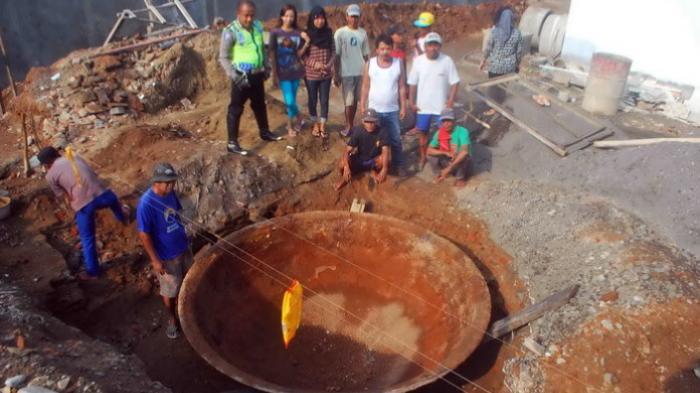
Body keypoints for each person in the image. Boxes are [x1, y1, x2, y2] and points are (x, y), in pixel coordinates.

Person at [38, 146, 129, 280]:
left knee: (87, 239)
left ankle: (93, 272)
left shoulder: (50, 176)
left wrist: (74, 205)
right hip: (103, 196)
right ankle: (122, 217)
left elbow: (65, 196)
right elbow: (92, 174)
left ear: (46, 164)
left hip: (84, 206)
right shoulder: (74, 157)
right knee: (113, 199)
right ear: (58, 154)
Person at [219, 0, 282, 156]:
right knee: (235, 109)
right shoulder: (230, 31)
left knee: (260, 104)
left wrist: (266, 66)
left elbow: (262, 49)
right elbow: (224, 57)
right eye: (246, 16)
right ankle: (232, 143)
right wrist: (234, 76)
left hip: (256, 74)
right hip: (240, 76)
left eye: (252, 16)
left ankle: (265, 131)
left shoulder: (258, 27)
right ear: (238, 14)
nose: (249, 19)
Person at [137, 163, 191, 339]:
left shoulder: (170, 194)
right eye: (167, 183)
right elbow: (144, 234)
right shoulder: (146, 204)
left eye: (172, 182)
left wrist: (185, 232)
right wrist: (155, 259)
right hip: (167, 257)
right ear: (156, 182)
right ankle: (172, 319)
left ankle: (190, 310)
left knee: (190, 280)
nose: (171, 186)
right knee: (170, 290)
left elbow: (176, 214)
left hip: (183, 247)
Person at [407, 32, 460, 169]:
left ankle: (443, 159)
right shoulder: (418, 61)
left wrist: (450, 101)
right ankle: (423, 157)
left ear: (440, 46)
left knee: (444, 135)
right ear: (425, 46)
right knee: (422, 135)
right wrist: (411, 102)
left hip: (441, 109)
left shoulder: (447, 61)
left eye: (435, 45)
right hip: (422, 107)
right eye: (430, 45)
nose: (432, 48)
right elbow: (412, 83)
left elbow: (455, 82)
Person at [359, 33, 406, 173]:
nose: (385, 51)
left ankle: (398, 164)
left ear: (392, 48)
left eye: (388, 48)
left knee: (396, 139)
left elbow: (402, 86)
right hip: (374, 111)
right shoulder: (370, 64)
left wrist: (403, 106)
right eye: (382, 49)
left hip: (392, 110)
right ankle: (375, 165)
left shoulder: (398, 63)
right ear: (377, 50)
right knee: (374, 140)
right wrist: (362, 104)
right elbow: (365, 86)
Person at [269, 4, 306, 139]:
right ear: (282, 16)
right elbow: (272, 54)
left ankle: (299, 119)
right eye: (286, 16)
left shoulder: (297, 34)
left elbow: (299, 54)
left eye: (292, 16)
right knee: (289, 102)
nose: (289, 19)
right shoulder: (275, 33)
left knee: (292, 101)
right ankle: (291, 126)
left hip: (296, 72)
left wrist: (306, 41)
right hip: (283, 74)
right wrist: (274, 75)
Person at [334, 4, 370, 137]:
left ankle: (354, 124)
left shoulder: (363, 33)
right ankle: (349, 126)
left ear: (359, 17)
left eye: (356, 16)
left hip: (361, 72)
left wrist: (369, 72)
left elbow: (366, 55)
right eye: (351, 16)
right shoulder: (340, 33)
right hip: (346, 73)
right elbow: (336, 55)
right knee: (348, 101)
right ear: (347, 17)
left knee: (358, 100)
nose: (354, 19)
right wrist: (336, 74)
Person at [300, 6, 335, 138]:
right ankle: (315, 124)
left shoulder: (329, 32)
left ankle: (323, 125)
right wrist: (315, 64)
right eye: (317, 18)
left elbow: (333, 51)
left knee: (324, 100)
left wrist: (328, 65)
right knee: (312, 100)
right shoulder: (306, 34)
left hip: (326, 74)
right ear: (312, 19)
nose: (320, 21)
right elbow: (302, 55)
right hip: (311, 75)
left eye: (322, 18)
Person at [335, 109, 390, 190]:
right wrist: (346, 167)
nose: (370, 124)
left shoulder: (382, 131)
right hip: (360, 159)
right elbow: (347, 151)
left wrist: (385, 169)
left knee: (384, 158)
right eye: (367, 121)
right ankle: (346, 177)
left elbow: (386, 150)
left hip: (374, 160)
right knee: (342, 163)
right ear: (363, 121)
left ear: (376, 121)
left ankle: (371, 171)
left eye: (372, 122)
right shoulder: (358, 131)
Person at [426, 108, 472, 187]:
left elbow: (465, 152)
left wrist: (449, 168)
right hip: (447, 159)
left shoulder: (462, 131)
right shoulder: (439, 132)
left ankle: (460, 177)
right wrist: (445, 152)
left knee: (464, 156)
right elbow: (429, 150)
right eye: (444, 121)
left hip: (459, 161)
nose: (446, 124)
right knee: (430, 155)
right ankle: (439, 174)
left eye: (449, 121)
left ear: (454, 121)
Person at [480, 7, 523, 78]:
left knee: (494, 88)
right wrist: (518, 64)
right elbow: (519, 53)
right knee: (508, 88)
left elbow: (488, 49)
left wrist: (483, 61)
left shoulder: (494, 32)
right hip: (510, 68)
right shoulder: (517, 33)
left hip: (495, 68)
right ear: (511, 19)